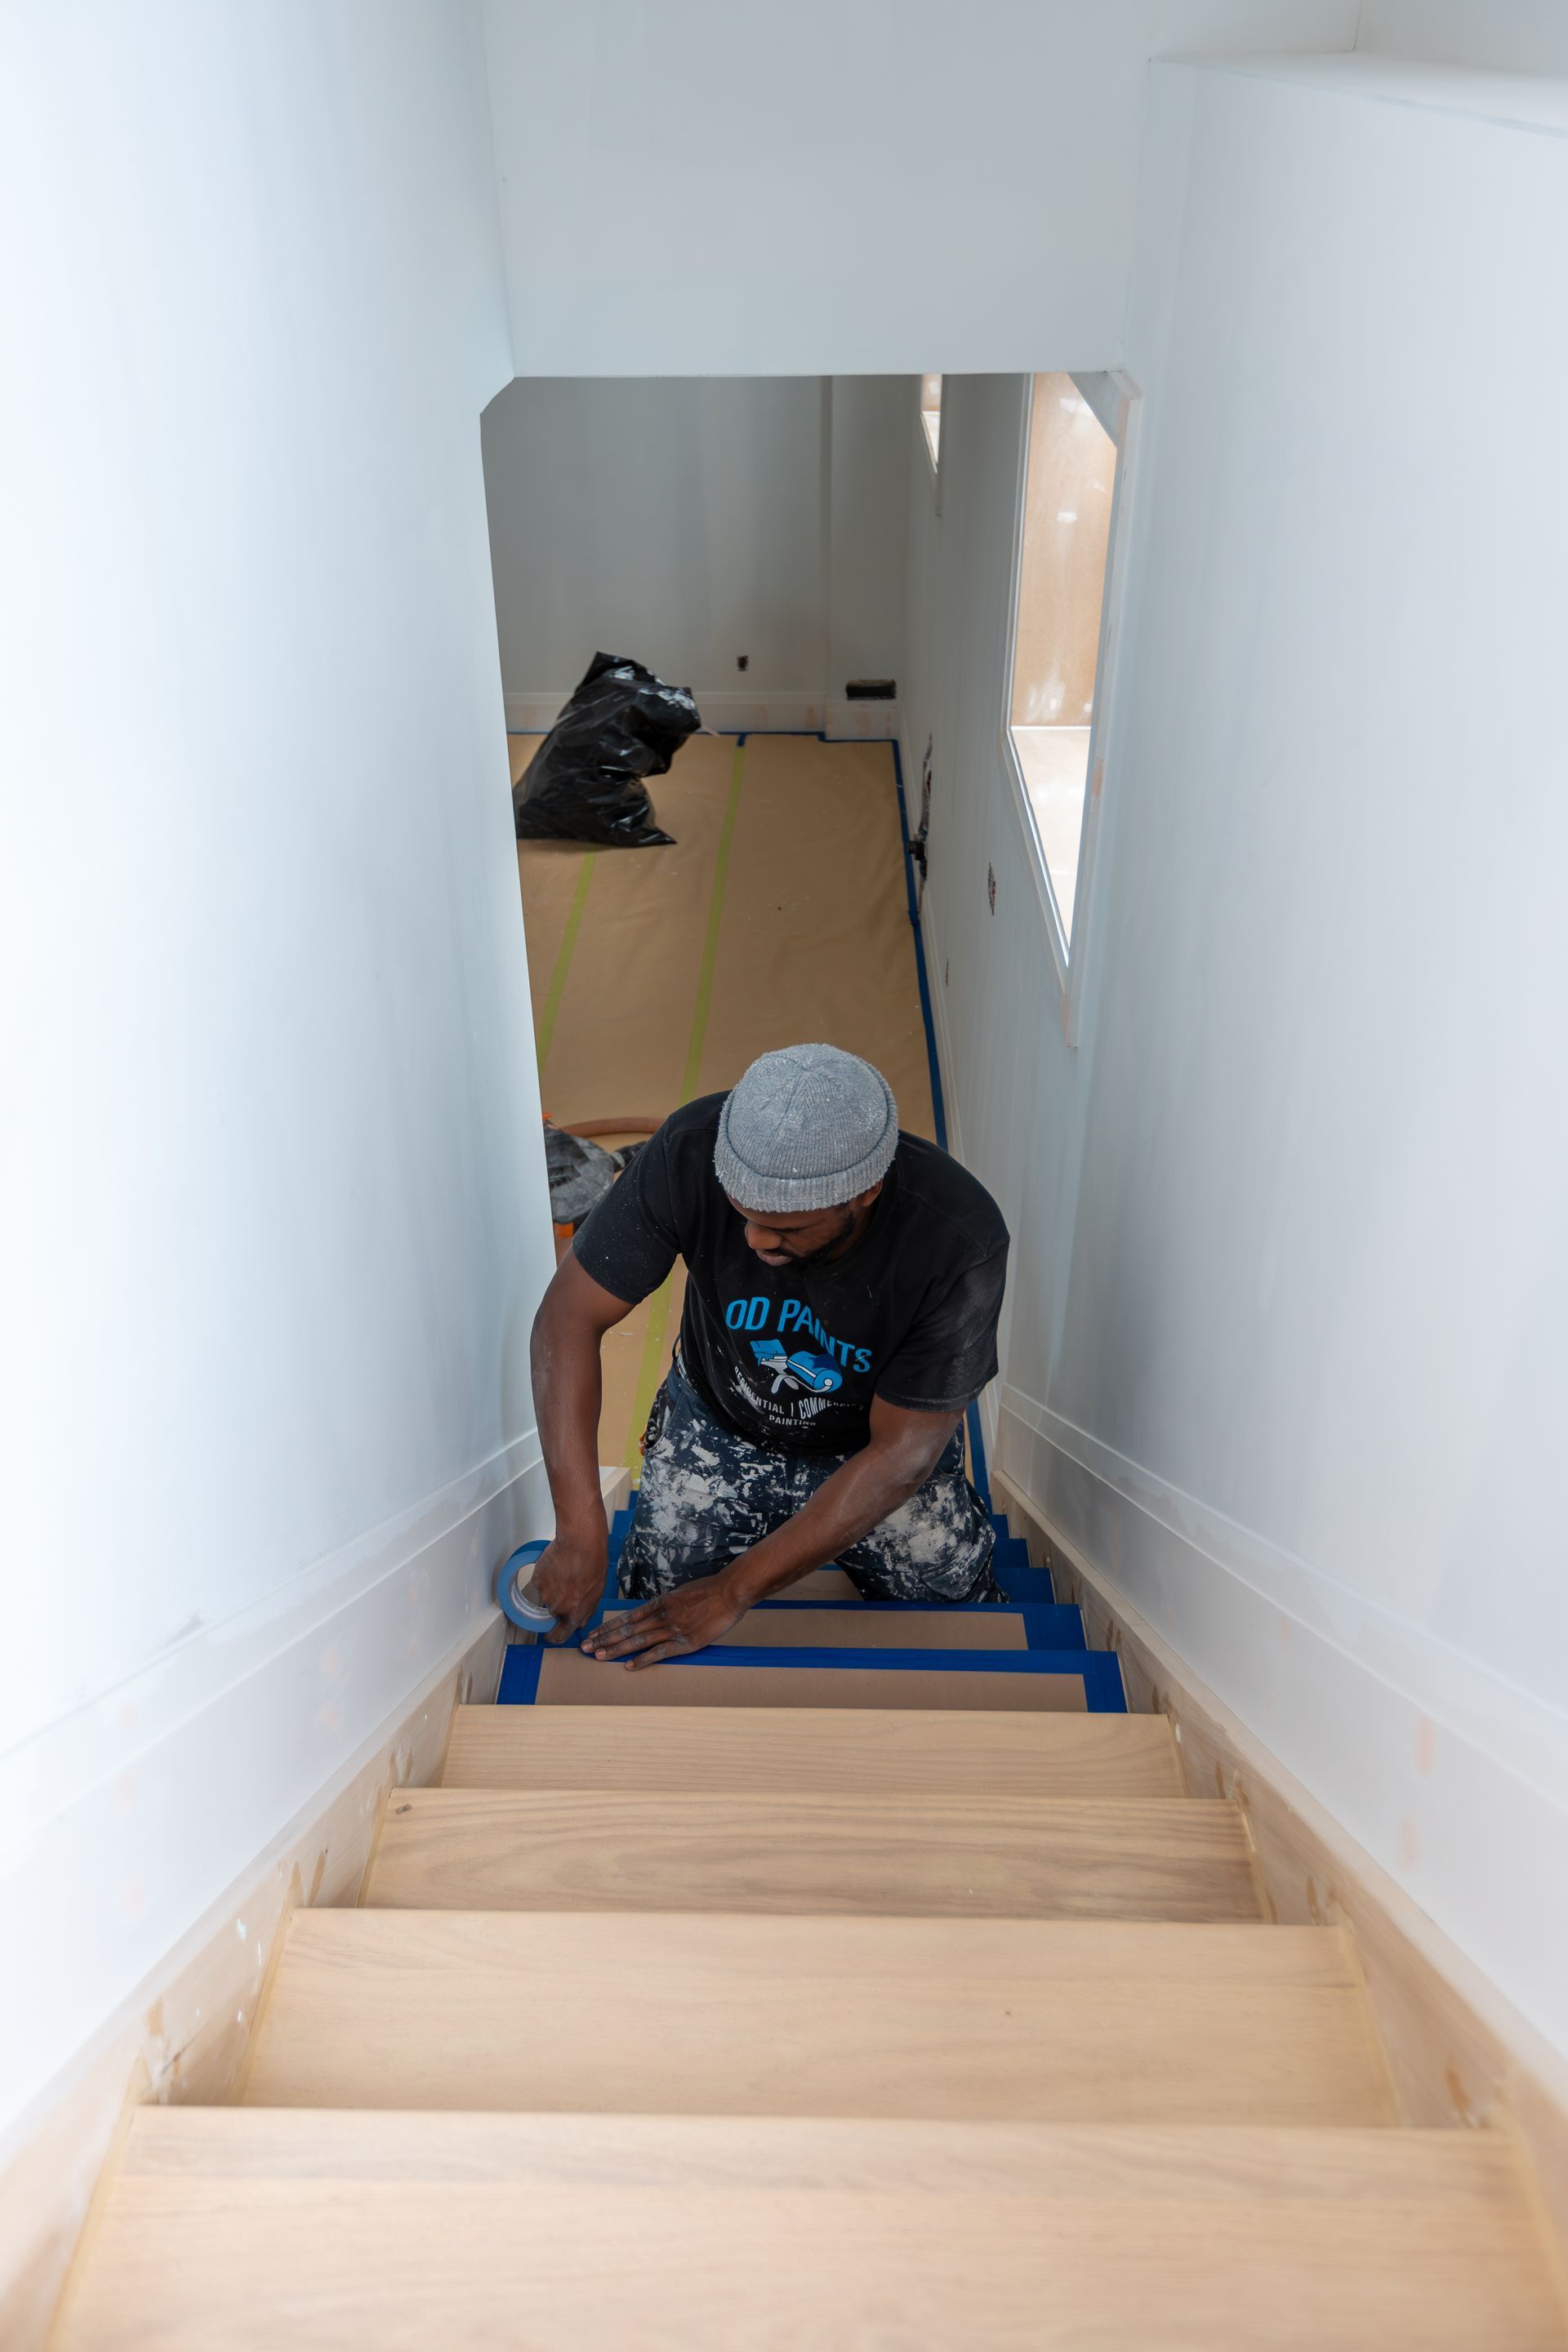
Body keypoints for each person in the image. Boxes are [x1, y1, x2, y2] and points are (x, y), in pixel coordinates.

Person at [525, 1041, 1009, 1668]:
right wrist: (580, 1527)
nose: (755, 1240)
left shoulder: (955, 1240)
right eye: (742, 1214)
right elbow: (568, 1317)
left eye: (785, 1228)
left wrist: (733, 1591)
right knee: (648, 1609)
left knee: (962, 1622)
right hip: (719, 1425)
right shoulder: (688, 1149)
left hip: (870, 1450)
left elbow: (902, 1452)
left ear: (864, 1193)